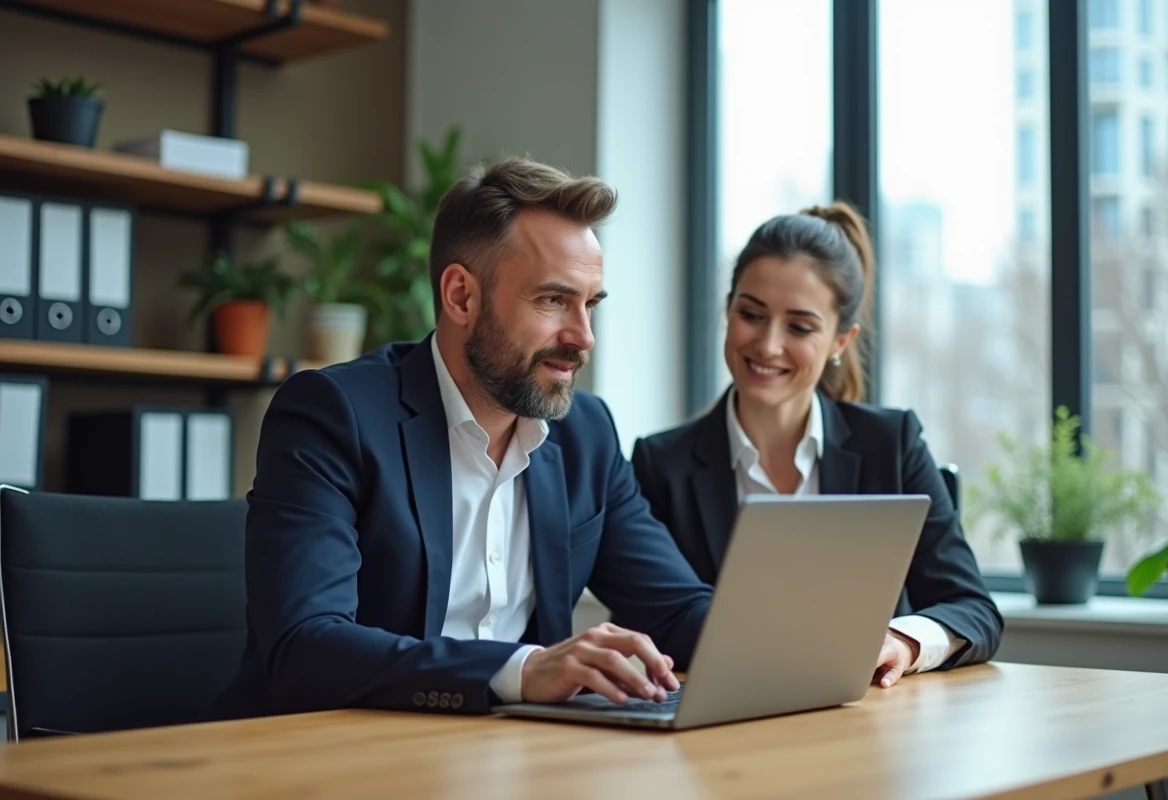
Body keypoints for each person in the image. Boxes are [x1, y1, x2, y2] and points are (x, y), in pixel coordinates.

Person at [202, 157, 711, 721]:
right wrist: (520, 670)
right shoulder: (333, 415)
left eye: (590, 304)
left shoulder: (587, 435)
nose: (583, 337)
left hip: (513, 758)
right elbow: (304, 647)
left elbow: (678, 610)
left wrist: (801, 639)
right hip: (322, 755)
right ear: (461, 296)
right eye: (552, 301)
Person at [625, 203, 1003, 689]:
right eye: (751, 314)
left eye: (800, 327)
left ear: (841, 340)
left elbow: (975, 610)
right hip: (723, 733)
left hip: (870, 727)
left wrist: (900, 643)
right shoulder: (661, 464)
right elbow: (649, 622)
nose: (768, 345)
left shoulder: (891, 445)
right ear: (728, 310)